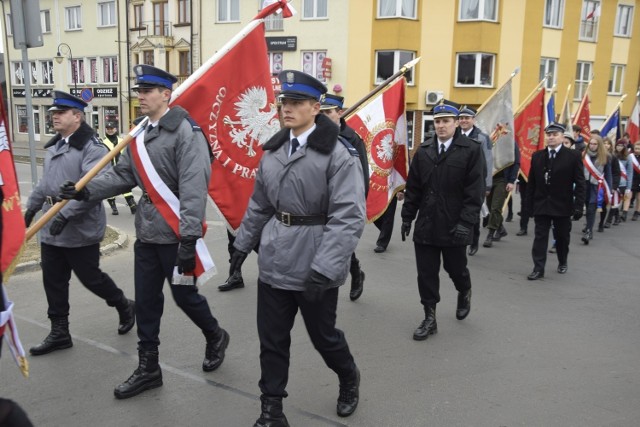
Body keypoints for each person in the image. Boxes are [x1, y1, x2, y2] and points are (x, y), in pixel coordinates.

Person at [58, 65, 229, 399]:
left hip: (177, 235)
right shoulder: (137, 133)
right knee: (148, 302)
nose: (141, 96)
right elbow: (124, 176)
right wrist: (84, 190)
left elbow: (194, 189)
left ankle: (215, 334)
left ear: (166, 94)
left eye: (148, 91)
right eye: (138, 91)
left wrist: (189, 238)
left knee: (184, 295)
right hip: (147, 234)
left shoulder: (185, 132)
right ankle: (149, 367)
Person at [229, 70, 365, 425]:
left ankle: (348, 375)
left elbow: (348, 216)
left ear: (316, 108)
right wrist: (242, 244)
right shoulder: (273, 151)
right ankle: (271, 409)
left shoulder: (338, 154)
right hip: (275, 258)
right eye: (283, 102)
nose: (286, 109)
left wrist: (326, 267)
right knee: (272, 341)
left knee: (324, 338)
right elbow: (260, 204)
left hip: (314, 261)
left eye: (296, 103)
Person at [23, 91, 135, 356]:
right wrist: (31, 209)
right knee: (53, 280)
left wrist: (66, 214)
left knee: (91, 278)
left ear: (77, 116)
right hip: (52, 225)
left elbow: (93, 188)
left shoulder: (91, 148)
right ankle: (60, 332)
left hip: (79, 227)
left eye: (60, 113)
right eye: (53, 113)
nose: (54, 117)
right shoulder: (56, 145)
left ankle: (123, 304)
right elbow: (46, 183)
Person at [400, 101, 484, 340]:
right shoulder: (424, 150)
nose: (441, 126)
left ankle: (464, 289)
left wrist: (466, 223)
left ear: (457, 123)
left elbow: (474, 191)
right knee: (426, 274)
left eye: (446, 121)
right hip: (426, 224)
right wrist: (407, 217)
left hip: (454, 224)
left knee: (455, 268)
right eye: (437, 121)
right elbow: (414, 187)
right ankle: (429, 317)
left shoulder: (471, 149)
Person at [320, 93, 368, 301]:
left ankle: (355, 273)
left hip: (343, 203)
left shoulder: (352, 139)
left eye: (327, 112)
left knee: (340, 244)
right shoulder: (315, 135)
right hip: (319, 203)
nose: (322, 116)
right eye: (319, 112)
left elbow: (362, 177)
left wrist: (355, 206)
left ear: (340, 112)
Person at [525, 122, 586, 280]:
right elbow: (532, 183)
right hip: (542, 203)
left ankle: (562, 260)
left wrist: (579, 206)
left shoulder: (572, 156)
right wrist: (528, 205)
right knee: (540, 237)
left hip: (562, 204)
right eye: (549, 134)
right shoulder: (538, 156)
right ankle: (538, 268)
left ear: (562, 136)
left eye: (555, 134)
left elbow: (580, 182)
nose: (551, 137)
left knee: (562, 237)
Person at [457, 106, 492, 256]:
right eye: (462, 118)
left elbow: (488, 162)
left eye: (467, 118)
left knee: (473, 213)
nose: (464, 121)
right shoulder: (454, 135)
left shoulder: (482, 138)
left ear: (473, 120)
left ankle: (474, 241)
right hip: (457, 182)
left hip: (476, 182)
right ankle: (459, 240)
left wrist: (487, 184)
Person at [483, 143, 520, 248]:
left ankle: (490, 235)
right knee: (490, 207)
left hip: (503, 180)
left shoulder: (511, 142)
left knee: (496, 207)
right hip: (489, 178)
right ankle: (500, 229)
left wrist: (511, 181)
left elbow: (516, 162)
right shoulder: (490, 139)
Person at [581, 135, 613, 244]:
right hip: (585, 185)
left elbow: (608, 174)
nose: (592, 146)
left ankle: (589, 231)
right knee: (587, 206)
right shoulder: (584, 155)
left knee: (591, 208)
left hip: (597, 186)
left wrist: (609, 189)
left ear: (599, 145)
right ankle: (588, 227)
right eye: (591, 143)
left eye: (595, 144)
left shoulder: (606, 156)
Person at [101, 122, 137, 215]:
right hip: (109, 169)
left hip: (122, 168)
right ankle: (114, 208)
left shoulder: (122, 141)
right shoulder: (102, 143)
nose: (110, 130)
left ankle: (132, 206)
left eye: (111, 128)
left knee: (126, 187)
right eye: (108, 128)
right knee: (110, 188)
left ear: (116, 129)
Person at [612, 139, 634, 223]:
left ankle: (615, 218)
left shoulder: (627, 157)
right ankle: (617, 216)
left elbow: (629, 172)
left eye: (621, 146)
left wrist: (628, 187)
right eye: (618, 145)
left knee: (618, 200)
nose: (619, 147)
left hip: (622, 182)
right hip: (614, 181)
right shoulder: (613, 155)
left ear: (624, 147)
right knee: (614, 200)